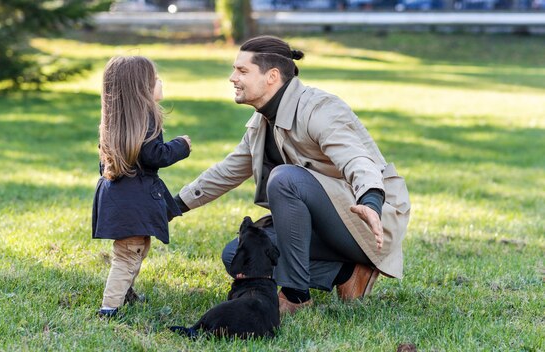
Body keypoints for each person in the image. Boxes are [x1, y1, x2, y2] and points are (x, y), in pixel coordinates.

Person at [174, 36, 410, 315]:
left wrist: (370, 202)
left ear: (272, 76)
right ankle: (345, 273)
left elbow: (357, 159)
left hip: (368, 221)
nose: (232, 78)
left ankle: (296, 295)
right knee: (237, 255)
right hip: (330, 226)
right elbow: (226, 171)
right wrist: (170, 207)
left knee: (286, 179)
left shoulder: (319, 108)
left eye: (242, 70)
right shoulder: (262, 121)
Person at [92, 56, 192, 317]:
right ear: (141, 88)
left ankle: (125, 292)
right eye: (155, 78)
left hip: (119, 200)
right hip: (133, 202)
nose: (160, 82)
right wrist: (181, 145)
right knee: (127, 255)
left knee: (136, 249)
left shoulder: (116, 121)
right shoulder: (146, 118)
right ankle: (109, 308)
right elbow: (154, 155)